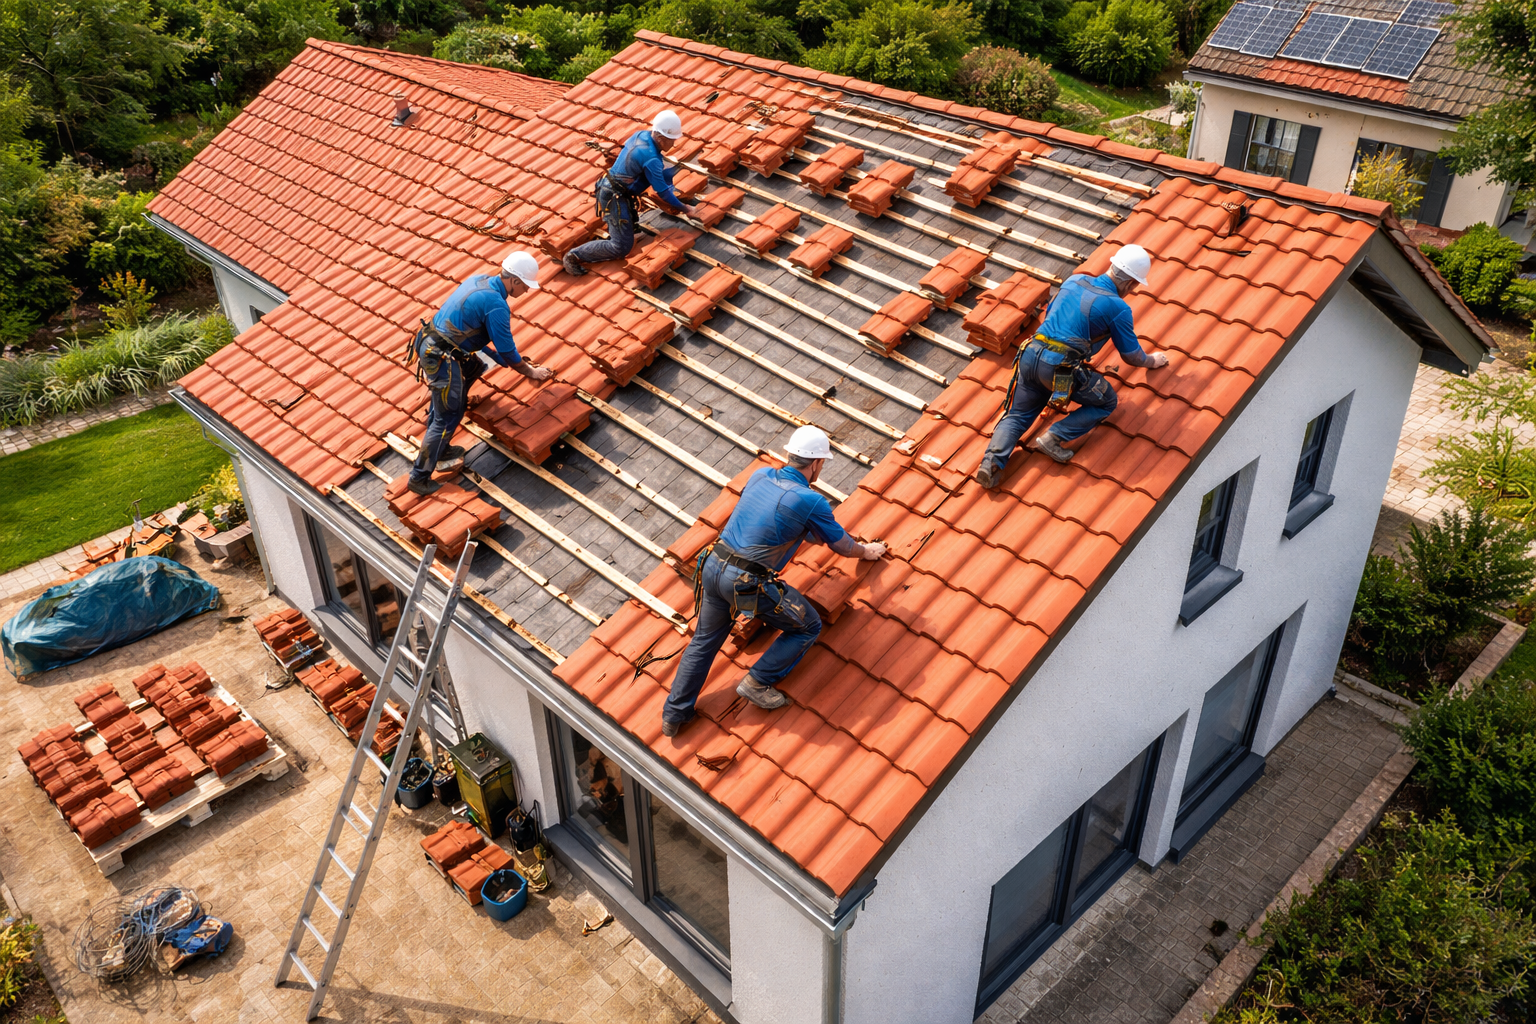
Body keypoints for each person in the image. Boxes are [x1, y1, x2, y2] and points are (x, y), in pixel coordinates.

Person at [661, 427, 887, 737]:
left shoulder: (761, 475)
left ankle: (673, 714)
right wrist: (867, 551)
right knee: (808, 625)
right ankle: (757, 682)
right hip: (744, 581)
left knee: (703, 642)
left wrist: (809, 530)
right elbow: (843, 546)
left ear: (790, 454)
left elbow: (770, 518)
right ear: (817, 463)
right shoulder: (811, 500)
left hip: (713, 566)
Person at [975, 244, 1169, 487]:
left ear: (1112, 265)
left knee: (1019, 414)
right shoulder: (1118, 308)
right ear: (1131, 283)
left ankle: (990, 463)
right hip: (1058, 368)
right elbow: (1132, 356)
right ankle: (1054, 437)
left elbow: (1050, 315)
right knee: (1107, 401)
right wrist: (1152, 361)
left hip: (1030, 355)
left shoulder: (1073, 280)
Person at [407, 250, 553, 496]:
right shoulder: (496, 305)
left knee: (469, 374)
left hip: (433, 343)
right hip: (441, 357)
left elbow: (468, 329)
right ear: (513, 280)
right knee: (448, 413)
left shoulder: (479, 279)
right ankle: (419, 478)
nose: (526, 291)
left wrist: (494, 356)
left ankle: (440, 449)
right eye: (525, 286)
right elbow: (507, 349)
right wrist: (530, 371)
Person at [561, 110, 699, 276]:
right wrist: (686, 209)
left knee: (629, 230)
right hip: (614, 197)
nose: (673, 144)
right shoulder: (652, 159)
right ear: (660, 137)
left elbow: (642, 167)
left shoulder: (641, 135)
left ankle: (621, 229)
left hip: (611, 187)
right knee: (620, 247)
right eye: (672, 140)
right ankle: (574, 256)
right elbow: (662, 193)